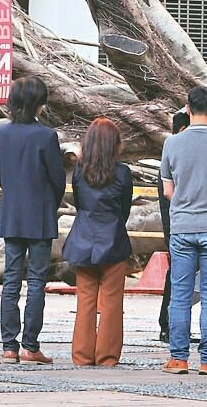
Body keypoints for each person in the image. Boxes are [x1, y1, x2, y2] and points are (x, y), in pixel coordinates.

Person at [160, 85, 207, 375]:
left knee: (180, 294)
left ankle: (178, 358)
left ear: (187, 108)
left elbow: (169, 191)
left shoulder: (172, 143)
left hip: (182, 226)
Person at [0, 76, 66, 364]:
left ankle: (8, 346)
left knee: (10, 280)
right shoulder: (45, 136)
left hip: (11, 212)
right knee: (36, 281)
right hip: (40, 214)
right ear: (38, 104)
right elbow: (57, 179)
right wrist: (49, 203)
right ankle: (30, 345)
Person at [62, 118, 134, 366]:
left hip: (83, 237)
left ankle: (82, 355)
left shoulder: (80, 172)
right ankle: (107, 356)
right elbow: (124, 209)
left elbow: (80, 204)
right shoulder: (123, 172)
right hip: (113, 238)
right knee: (112, 302)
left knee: (85, 299)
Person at [157, 108, 190, 343]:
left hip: (180, 225)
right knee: (177, 277)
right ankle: (168, 325)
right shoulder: (174, 157)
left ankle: (172, 325)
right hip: (177, 226)